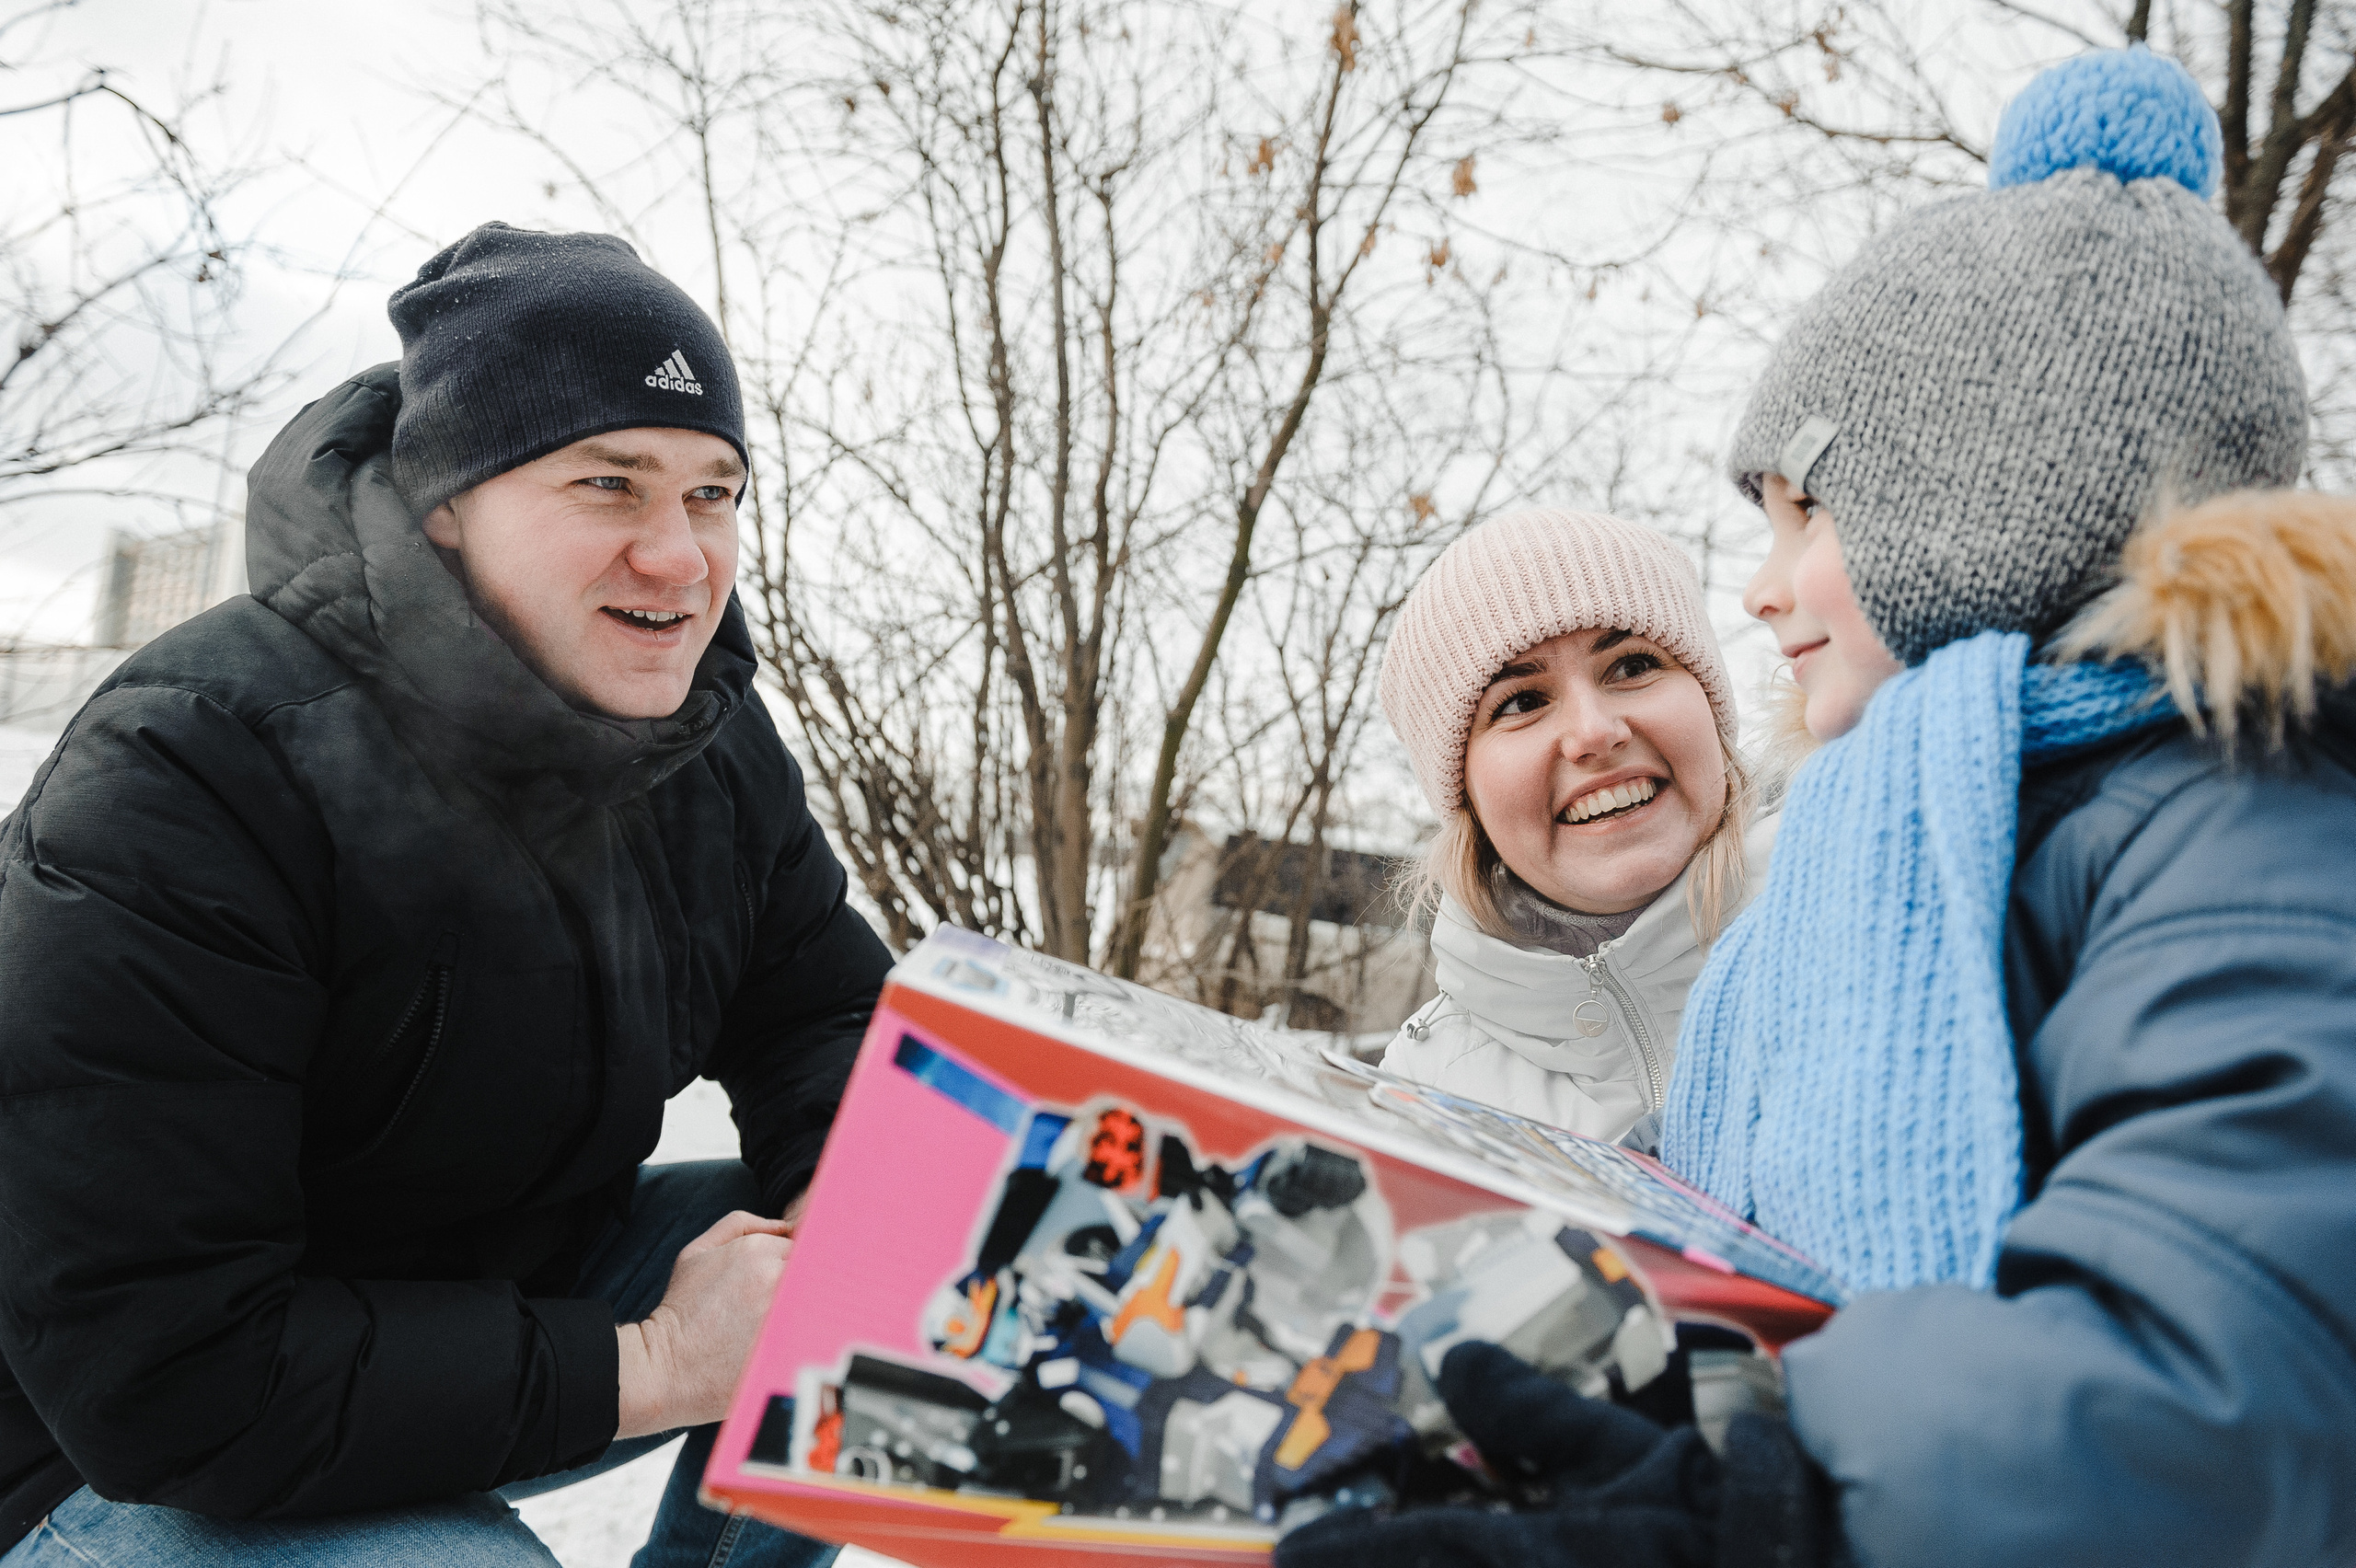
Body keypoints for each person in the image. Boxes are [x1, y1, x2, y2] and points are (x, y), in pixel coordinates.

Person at [1278, 48, 2356, 1568]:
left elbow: (2242, 1361)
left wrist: (1792, 1505)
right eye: (1516, 702)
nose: (1763, 584)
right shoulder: (1943, 863)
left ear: (1985, 493)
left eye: (1807, 509)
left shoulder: (2211, 828)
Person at [0, 224, 895, 1566]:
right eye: (610, 484)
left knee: (879, 1270)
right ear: (444, 505)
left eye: (714, 493)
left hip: (458, 1297)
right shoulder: (192, 773)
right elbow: (163, 1373)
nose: (679, 556)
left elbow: (819, 1013)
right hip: (103, 1450)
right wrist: (654, 1360)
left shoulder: (696, 750)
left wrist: (842, 1188)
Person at [1377, 509, 1772, 1144]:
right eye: (1523, 703)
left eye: (1633, 666)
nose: (1593, 732)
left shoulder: (1884, 919)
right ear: (1465, 792)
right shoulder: (1427, 1096)